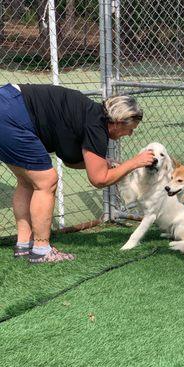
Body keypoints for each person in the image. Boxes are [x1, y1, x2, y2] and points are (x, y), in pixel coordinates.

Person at [0, 83, 155, 263]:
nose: (129, 134)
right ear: (118, 123)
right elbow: (99, 179)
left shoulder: (90, 114)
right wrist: (134, 163)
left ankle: (24, 245)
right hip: (11, 114)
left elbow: (70, 160)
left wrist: (105, 164)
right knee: (46, 180)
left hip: (8, 102)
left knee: (27, 182)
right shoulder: (97, 127)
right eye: (130, 129)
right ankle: (42, 250)